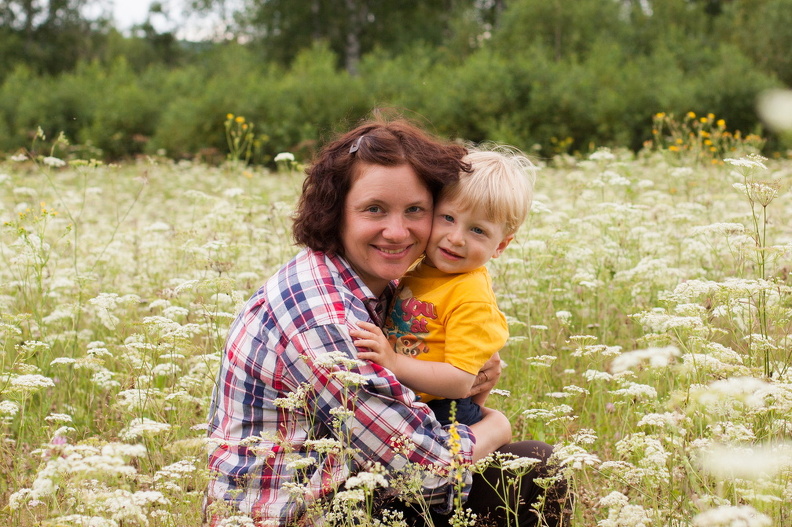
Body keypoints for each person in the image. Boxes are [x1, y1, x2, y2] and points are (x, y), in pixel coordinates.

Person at [206, 115, 568, 526]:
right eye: (374, 209)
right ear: (335, 211)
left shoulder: (384, 279)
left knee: (530, 468)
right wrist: (496, 426)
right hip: (297, 514)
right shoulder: (322, 316)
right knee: (533, 463)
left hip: (350, 484)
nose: (397, 232)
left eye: (415, 210)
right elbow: (424, 474)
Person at [351, 147, 535, 431]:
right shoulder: (424, 270)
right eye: (448, 218)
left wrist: (393, 363)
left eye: (478, 230)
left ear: (500, 245)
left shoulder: (471, 297)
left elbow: (461, 382)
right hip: (411, 400)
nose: (456, 238)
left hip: (445, 413)